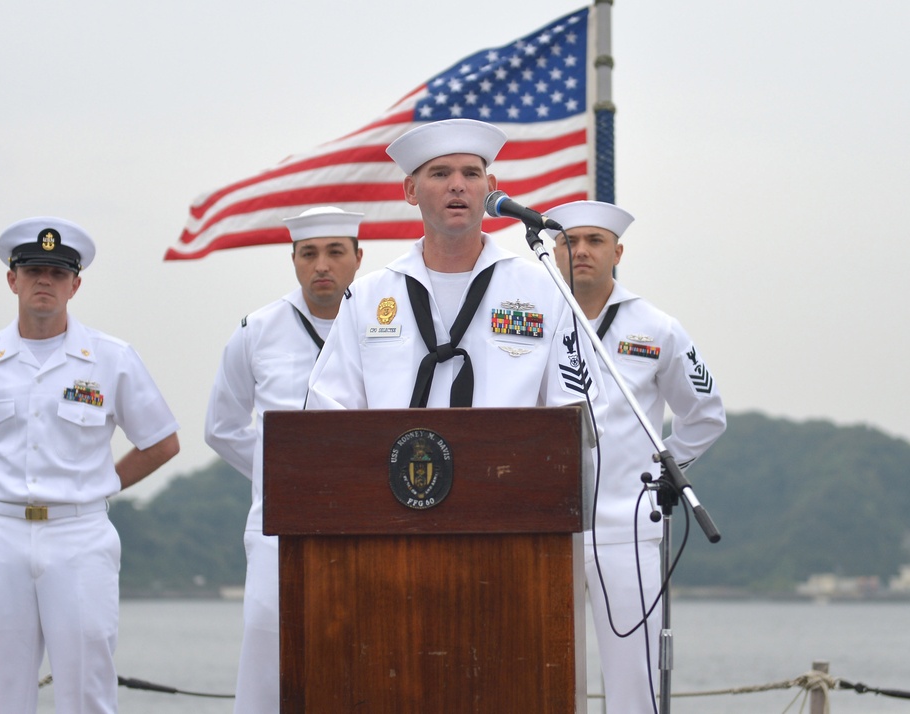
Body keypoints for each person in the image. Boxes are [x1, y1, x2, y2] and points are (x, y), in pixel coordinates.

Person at [0, 216, 180, 714]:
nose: (45, 280)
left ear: (75, 284)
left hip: (80, 537)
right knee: (2, 693)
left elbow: (161, 442)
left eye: (58, 273)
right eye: (34, 269)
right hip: (1, 537)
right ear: (12, 279)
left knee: (87, 691)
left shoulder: (112, 359)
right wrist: (3, 486)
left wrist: (100, 485)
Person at [545, 200, 726, 713]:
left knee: (635, 683)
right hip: (545, 526)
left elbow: (706, 414)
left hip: (628, 527)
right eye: (568, 241)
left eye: (594, 241)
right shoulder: (529, 319)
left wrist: (663, 475)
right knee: (531, 669)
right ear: (554, 251)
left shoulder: (656, 327)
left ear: (617, 251)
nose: (580, 251)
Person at [306, 118, 607, 421]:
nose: (457, 185)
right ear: (411, 190)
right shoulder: (365, 298)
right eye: (440, 173)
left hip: (505, 468)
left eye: (471, 174)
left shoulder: (545, 292)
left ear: (490, 189)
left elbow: (580, 415)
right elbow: (327, 414)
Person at [204, 206, 364, 713]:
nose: (323, 265)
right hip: (277, 528)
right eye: (309, 254)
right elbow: (222, 427)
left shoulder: (385, 323)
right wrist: (286, 476)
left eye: (335, 252)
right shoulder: (258, 330)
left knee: (363, 658)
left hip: (366, 522)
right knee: (267, 662)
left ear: (358, 258)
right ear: (293, 260)